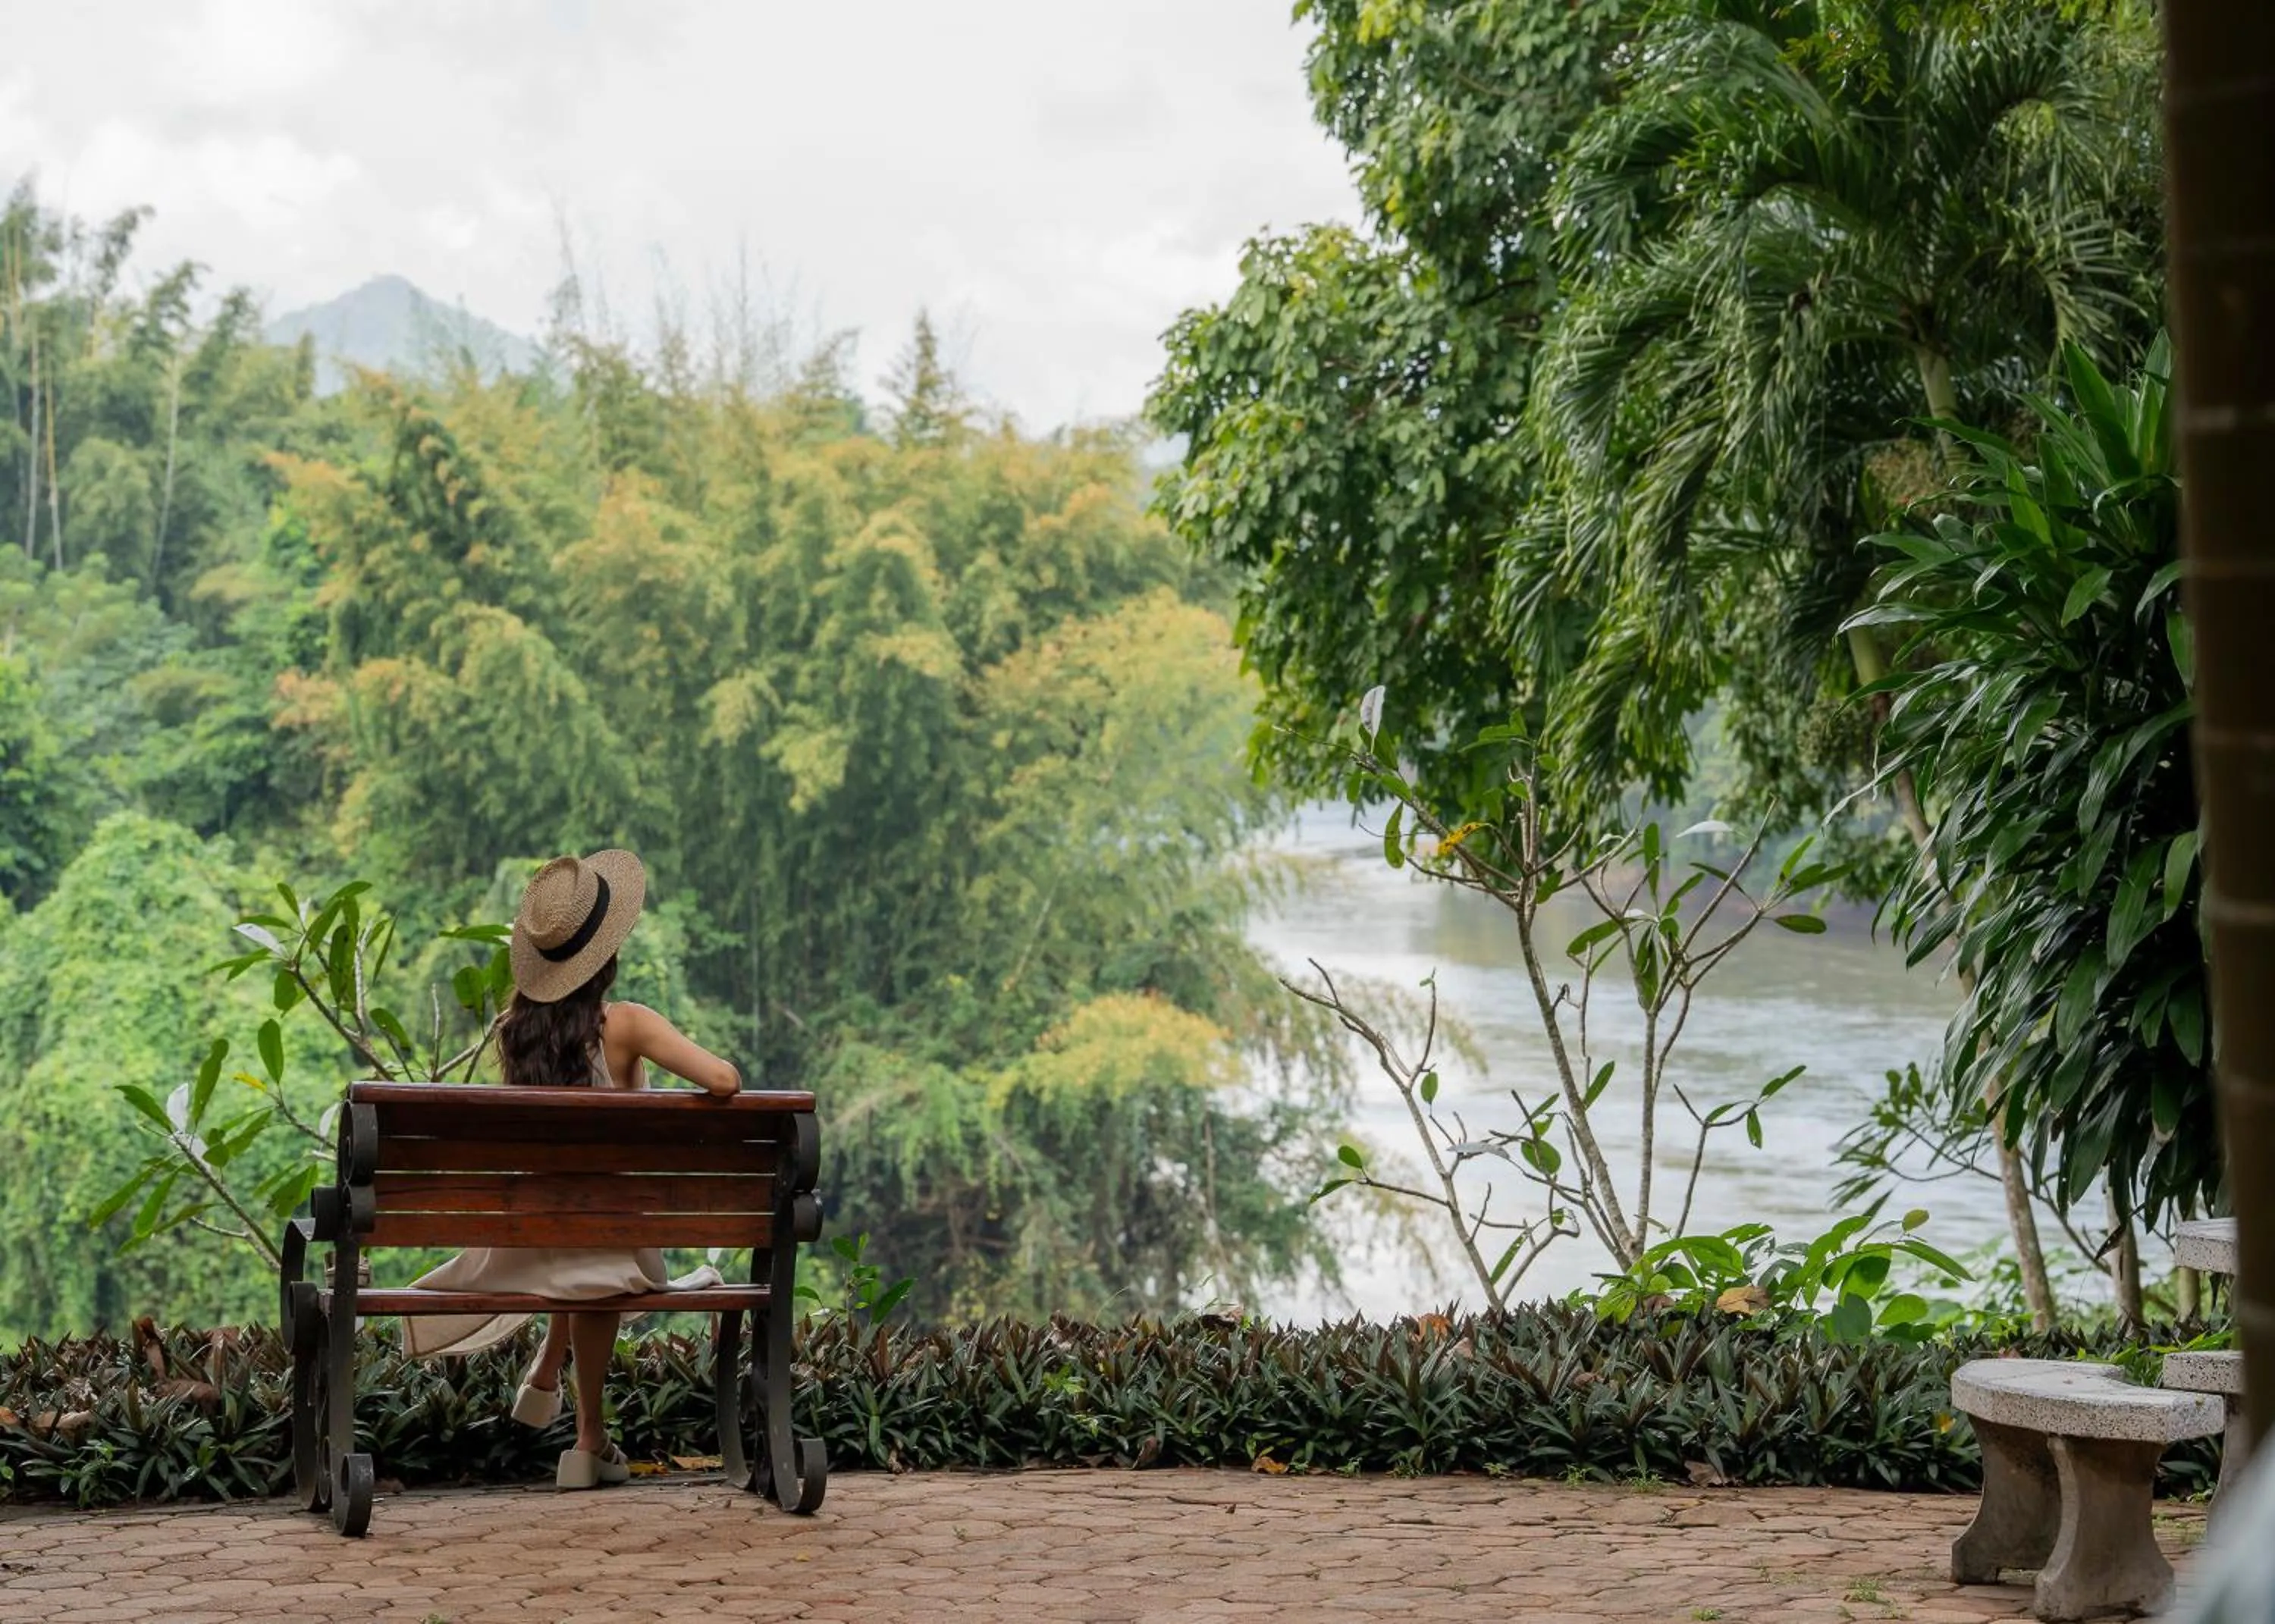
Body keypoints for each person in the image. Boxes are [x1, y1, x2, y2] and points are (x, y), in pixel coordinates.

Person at [400, 849, 742, 1489]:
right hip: (613, 1237)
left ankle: (548, 1375)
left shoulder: (515, 1034)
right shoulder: (629, 1025)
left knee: (577, 1235)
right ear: (605, 957)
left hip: (525, 1238)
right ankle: (587, 1437)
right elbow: (725, 1080)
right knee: (598, 1243)